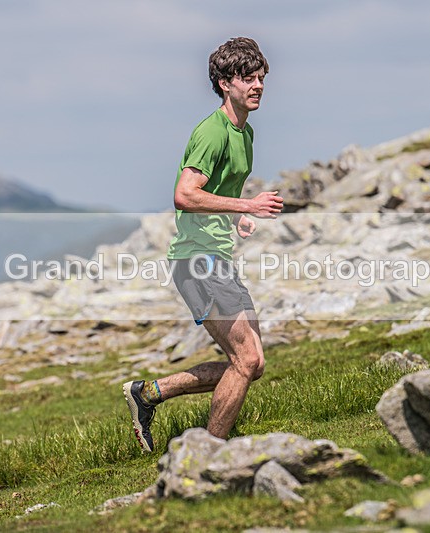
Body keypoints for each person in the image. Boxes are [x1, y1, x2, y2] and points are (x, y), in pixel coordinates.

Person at [122, 37, 284, 452]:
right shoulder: (212, 133)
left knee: (253, 364)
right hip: (197, 261)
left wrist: (237, 215)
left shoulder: (245, 134)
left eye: (261, 77)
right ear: (225, 83)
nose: (258, 85)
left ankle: (150, 393)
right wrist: (247, 202)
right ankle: (207, 456)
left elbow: (215, 192)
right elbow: (184, 194)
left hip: (217, 257)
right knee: (245, 360)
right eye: (248, 78)